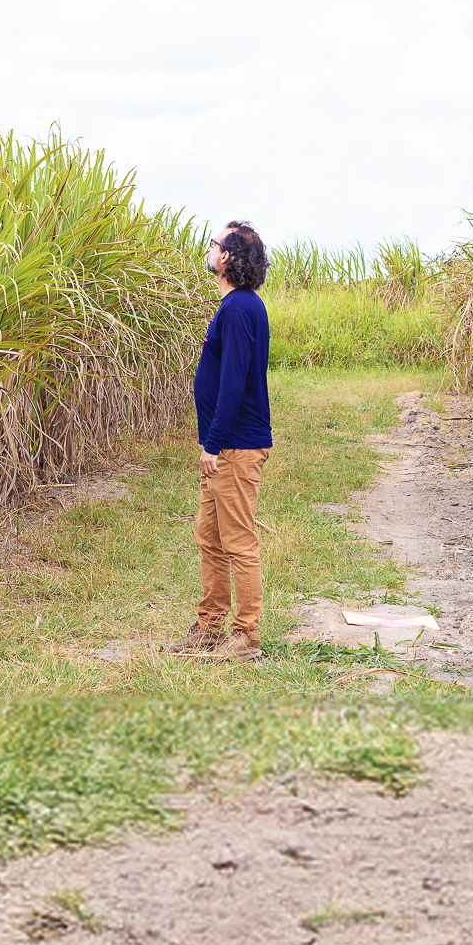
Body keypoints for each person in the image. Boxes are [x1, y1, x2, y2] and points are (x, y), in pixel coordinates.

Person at [187, 220, 276, 658]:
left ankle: (246, 637)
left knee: (238, 541)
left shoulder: (240, 308)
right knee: (209, 537)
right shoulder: (236, 305)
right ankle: (209, 627)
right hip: (224, 444)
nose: (209, 248)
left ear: (226, 257)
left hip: (235, 446)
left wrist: (214, 442)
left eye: (214, 243)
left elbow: (233, 379)